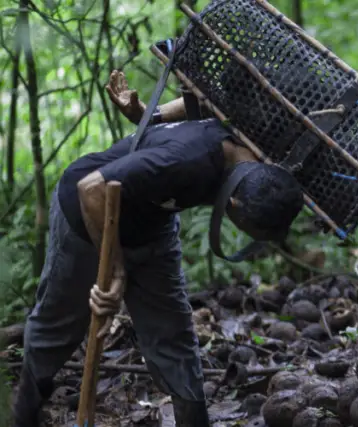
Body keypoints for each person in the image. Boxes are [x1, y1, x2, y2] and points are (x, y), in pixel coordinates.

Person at [11, 70, 306, 427]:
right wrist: (116, 269)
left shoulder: (257, 151)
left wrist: (149, 115)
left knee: (172, 332)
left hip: (154, 221)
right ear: (235, 206)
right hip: (87, 215)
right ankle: (22, 414)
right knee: (60, 324)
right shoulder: (186, 162)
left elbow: (208, 98)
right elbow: (92, 189)